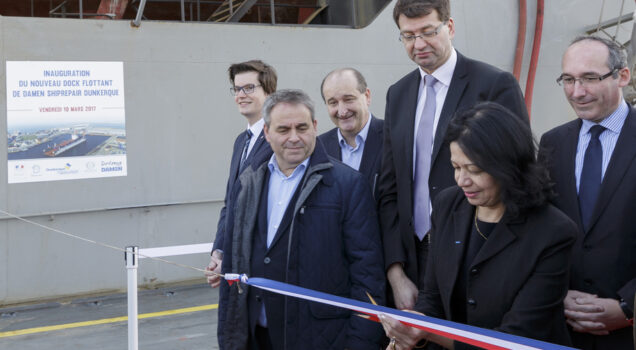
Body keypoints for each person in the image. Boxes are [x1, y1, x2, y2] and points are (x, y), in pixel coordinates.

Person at [380, 102, 577, 350]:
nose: (462, 180)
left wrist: (426, 332)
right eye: (455, 167)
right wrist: (416, 322)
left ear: (507, 166)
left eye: (474, 170)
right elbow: (433, 295)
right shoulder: (447, 205)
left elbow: (517, 336)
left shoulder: (553, 232)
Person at [378, 0, 529, 311]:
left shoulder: (493, 85)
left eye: (428, 31)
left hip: (476, 251)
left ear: (450, 27)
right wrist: (396, 272)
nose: (418, 44)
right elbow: (390, 187)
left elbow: (520, 174)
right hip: (415, 257)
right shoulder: (398, 94)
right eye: (408, 36)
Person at [215, 89, 386, 349]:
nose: (294, 138)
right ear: (267, 133)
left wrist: (360, 343)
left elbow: (367, 275)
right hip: (253, 337)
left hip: (320, 339)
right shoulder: (247, 184)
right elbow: (232, 268)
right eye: (283, 130)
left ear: (315, 127)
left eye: (302, 128)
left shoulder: (348, 185)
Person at [539, 36, 636, 349]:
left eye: (590, 79)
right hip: (563, 327)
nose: (576, 92)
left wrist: (629, 307)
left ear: (623, 76)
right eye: (568, 80)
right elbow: (541, 230)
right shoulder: (553, 144)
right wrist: (558, 294)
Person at [206, 60, 276, 289]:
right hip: (236, 262)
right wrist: (219, 252)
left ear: (269, 91)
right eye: (237, 89)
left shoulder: (278, 140)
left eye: (249, 88)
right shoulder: (241, 141)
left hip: (261, 263)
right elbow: (231, 203)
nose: (241, 95)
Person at [318, 68, 383, 199]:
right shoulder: (319, 148)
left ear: (367, 96)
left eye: (348, 99)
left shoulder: (393, 137)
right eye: (333, 103)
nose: (342, 111)